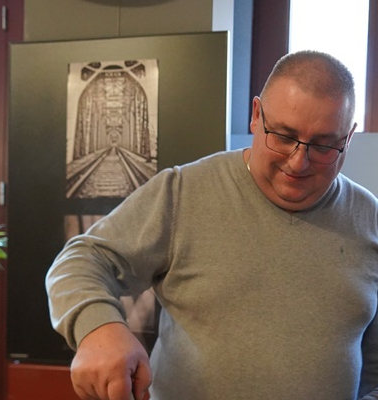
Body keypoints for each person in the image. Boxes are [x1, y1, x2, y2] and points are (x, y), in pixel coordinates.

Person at [45, 50, 378, 400]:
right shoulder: (183, 192)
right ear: (256, 115)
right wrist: (98, 327)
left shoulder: (369, 220)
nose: (298, 162)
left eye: (323, 146)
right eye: (282, 136)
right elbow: (81, 260)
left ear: (348, 139)